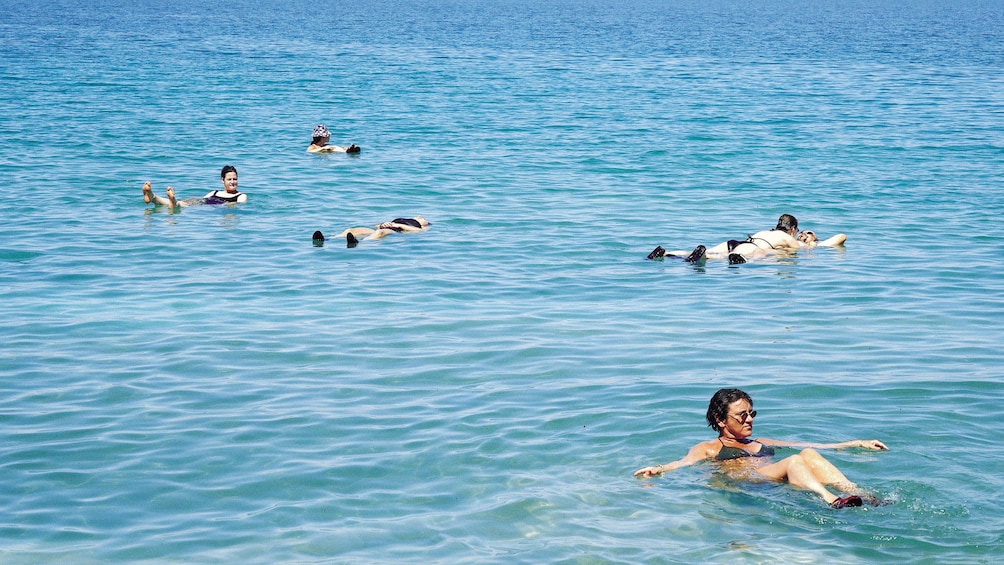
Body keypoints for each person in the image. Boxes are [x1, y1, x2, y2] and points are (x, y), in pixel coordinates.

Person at [633, 388, 888, 509]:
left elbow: (810, 445)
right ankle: (832, 500)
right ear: (721, 420)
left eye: (751, 413)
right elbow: (683, 462)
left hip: (772, 481)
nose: (749, 419)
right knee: (793, 462)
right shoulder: (709, 448)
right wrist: (657, 469)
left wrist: (856, 443)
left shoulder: (759, 442)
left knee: (807, 455)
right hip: (749, 482)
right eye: (741, 416)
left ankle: (862, 495)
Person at [647, 214, 845, 264]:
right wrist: (814, 243)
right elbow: (839, 237)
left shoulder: (765, 231)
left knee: (708, 253)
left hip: (739, 241)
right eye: (801, 231)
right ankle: (710, 257)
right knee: (721, 258)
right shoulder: (787, 239)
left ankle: (667, 252)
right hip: (753, 248)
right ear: (792, 229)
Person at [142, 165, 247, 208]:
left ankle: (156, 197)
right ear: (222, 180)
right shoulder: (214, 192)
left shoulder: (240, 196)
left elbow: (236, 206)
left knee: (178, 204)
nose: (233, 182)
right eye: (229, 179)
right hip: (204, 204)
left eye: (235, 179)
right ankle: (151, 196)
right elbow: (201, 199)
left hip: (211, 206)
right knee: (182, 204)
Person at [312, 216, 430, 247]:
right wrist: (382, 224)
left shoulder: (422, 226)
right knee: (351, 230)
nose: (421, 217)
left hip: (395, 231)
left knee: (380, 233)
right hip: (383, 227)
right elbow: (377, 225)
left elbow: (417, 231)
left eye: (423, 218)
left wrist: (395, 225)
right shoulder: (406, 218)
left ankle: (359, 243)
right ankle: (328, 239)